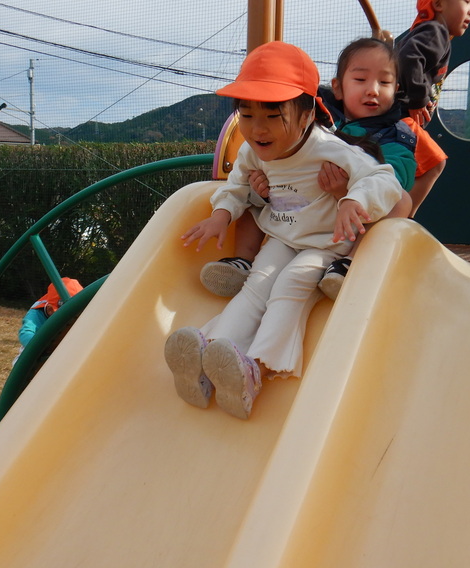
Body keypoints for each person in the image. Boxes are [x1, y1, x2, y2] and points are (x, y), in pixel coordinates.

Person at [164, 41, 402, 419]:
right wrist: (221, 214)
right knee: (257, 284)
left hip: (324, 244)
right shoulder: (252, 151)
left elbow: (383, 179)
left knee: (291, 284)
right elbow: (236, 185)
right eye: (246, 114)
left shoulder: (329, 149)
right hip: (280, 236)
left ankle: (255, 367)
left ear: (307, 114)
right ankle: (210, 352)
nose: (257, 129)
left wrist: (353, 201)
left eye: (273, 116)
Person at [200, 37, 419, 300]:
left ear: (396, 88)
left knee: (401, 200)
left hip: (353, 216)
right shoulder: (317, 125)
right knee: (250, 192)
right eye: (360, 80)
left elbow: (393, 182)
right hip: (300, 215)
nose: (372, 90)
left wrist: (344, 192)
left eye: (384, 83)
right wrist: (263, 191)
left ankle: (351, 262)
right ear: (337, 87)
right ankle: (243, 260)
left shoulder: (397, 134)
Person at [394, 0, 470, 201]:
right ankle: (401, 221)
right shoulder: (435, 32)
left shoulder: (426, 34)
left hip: (397, 118)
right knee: (434, 164)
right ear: (438, 3)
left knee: (407, 170)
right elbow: (408, 58)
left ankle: (395, 214)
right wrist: (418, 99)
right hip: (401, 117)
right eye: (467, 1)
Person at [13, 277, 83, 365]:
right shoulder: (36, 314)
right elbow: (26, 333)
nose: (70, 319)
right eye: (65, 316)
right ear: (50, 310)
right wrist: (40, 347)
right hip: (35, 353)